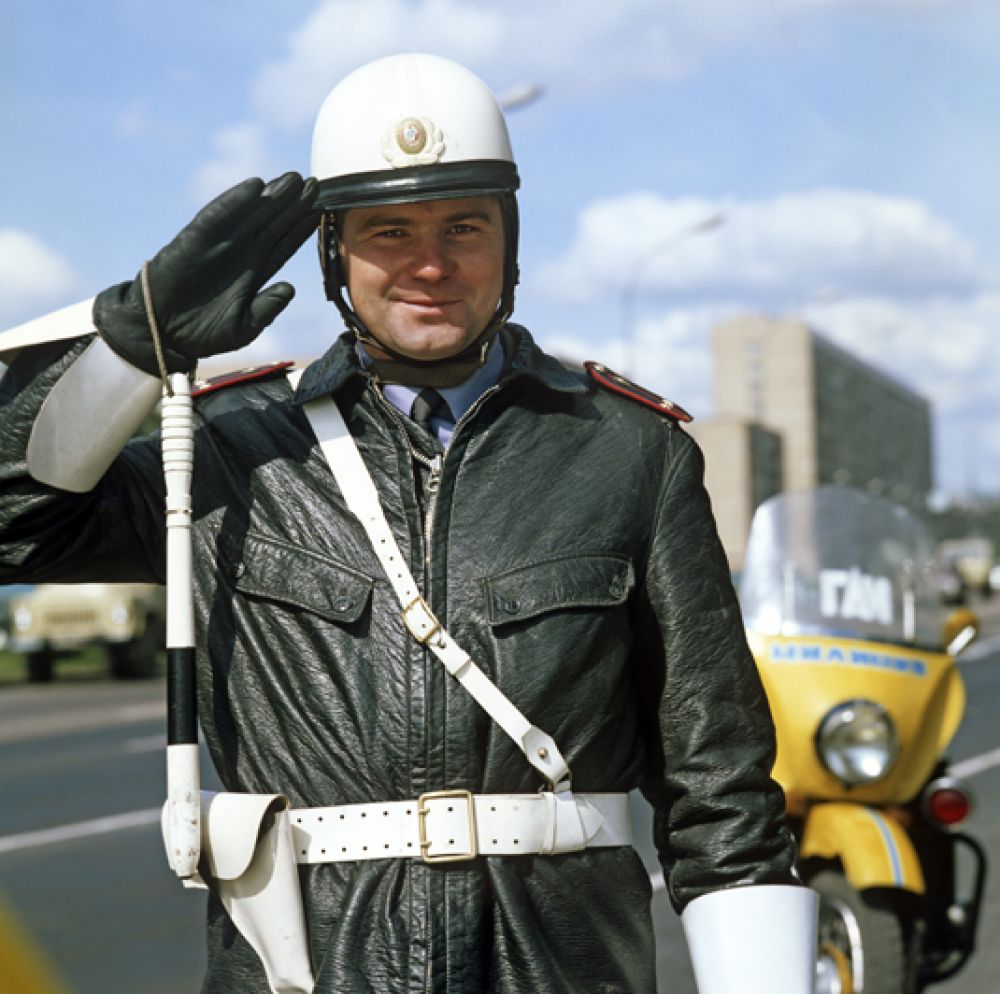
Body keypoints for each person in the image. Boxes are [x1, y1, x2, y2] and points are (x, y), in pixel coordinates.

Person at [0, 53, 815, 994]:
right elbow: (15, 523)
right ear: (334, 258)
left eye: (463, 226)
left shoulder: (630, 453)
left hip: (558, 964)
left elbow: (720, 794)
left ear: (511, 243)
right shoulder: (227, 446)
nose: (430, 265)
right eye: (389, 231)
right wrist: (127, 350)